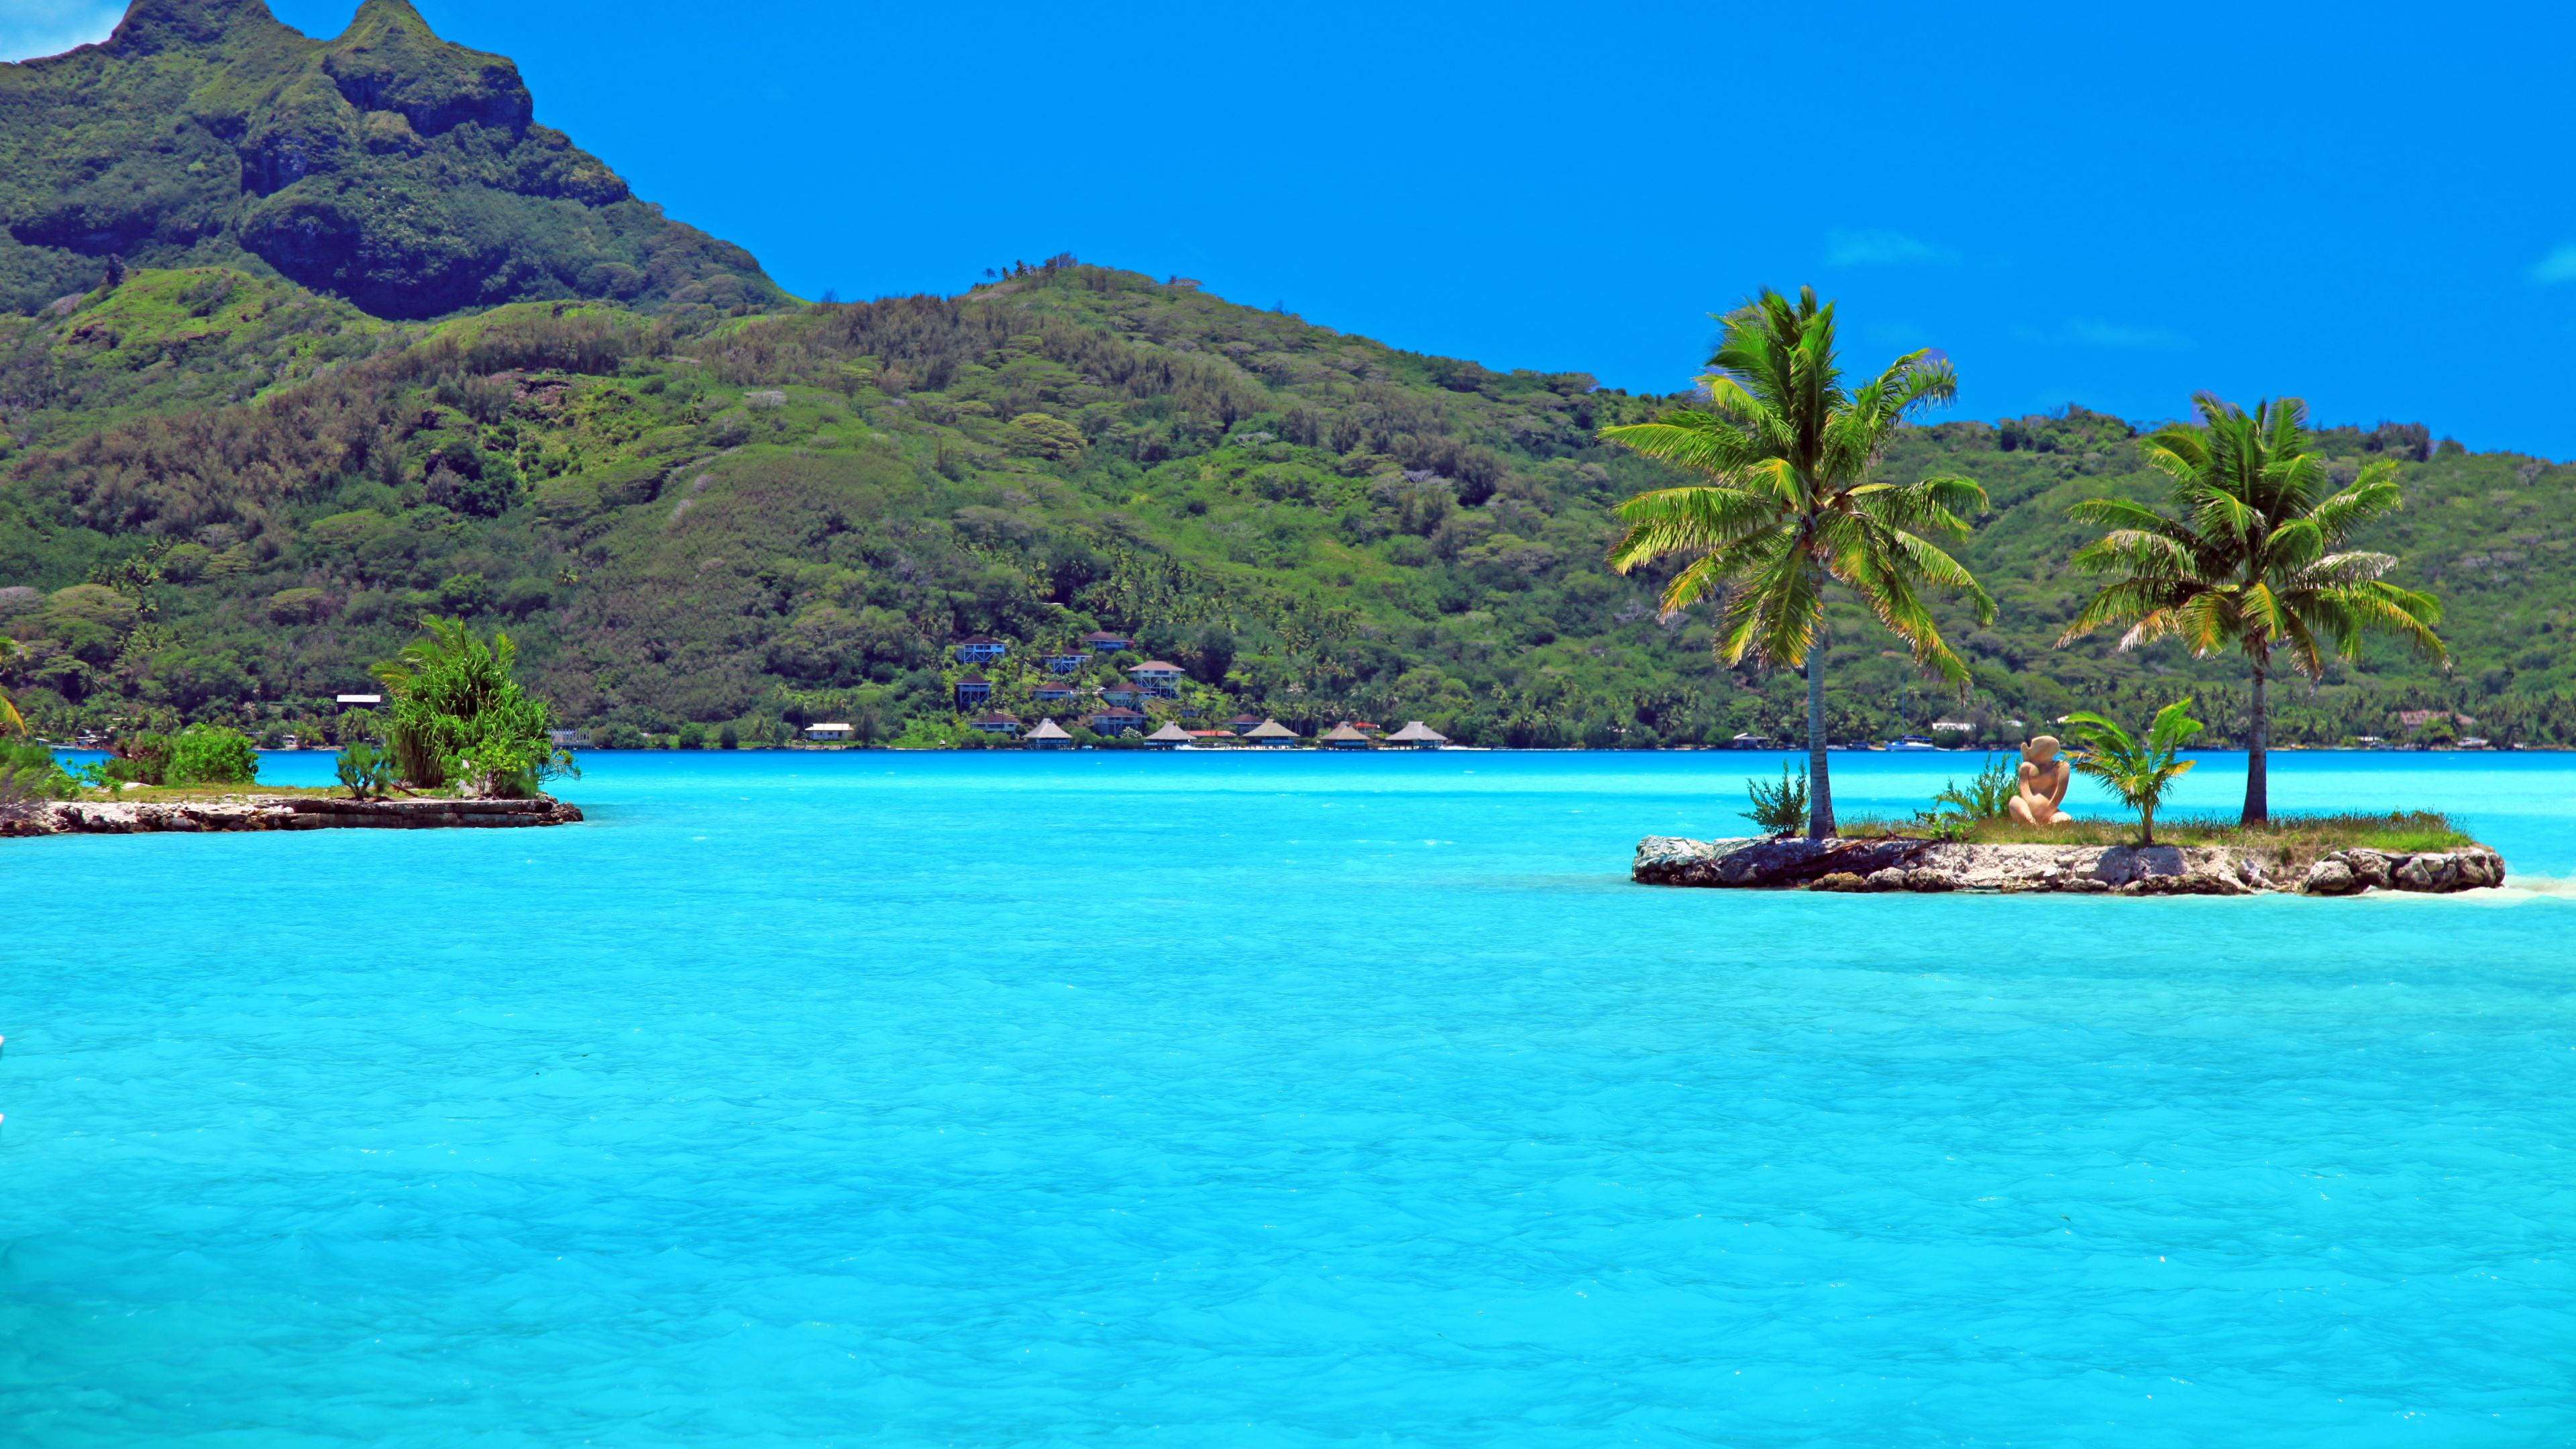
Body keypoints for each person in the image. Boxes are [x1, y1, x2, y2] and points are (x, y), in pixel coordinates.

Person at [2008, 735, 2075, 826]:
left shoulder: (2060, 766)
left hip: (2051, 812)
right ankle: (2033, 824)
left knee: (2066, 819)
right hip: (2030, 809)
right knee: (2014, 801)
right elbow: (2024, 788)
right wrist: (2031, 804)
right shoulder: (2026, 767)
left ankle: (2044, 827)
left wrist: (2049, 808)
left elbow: (2060, 792)